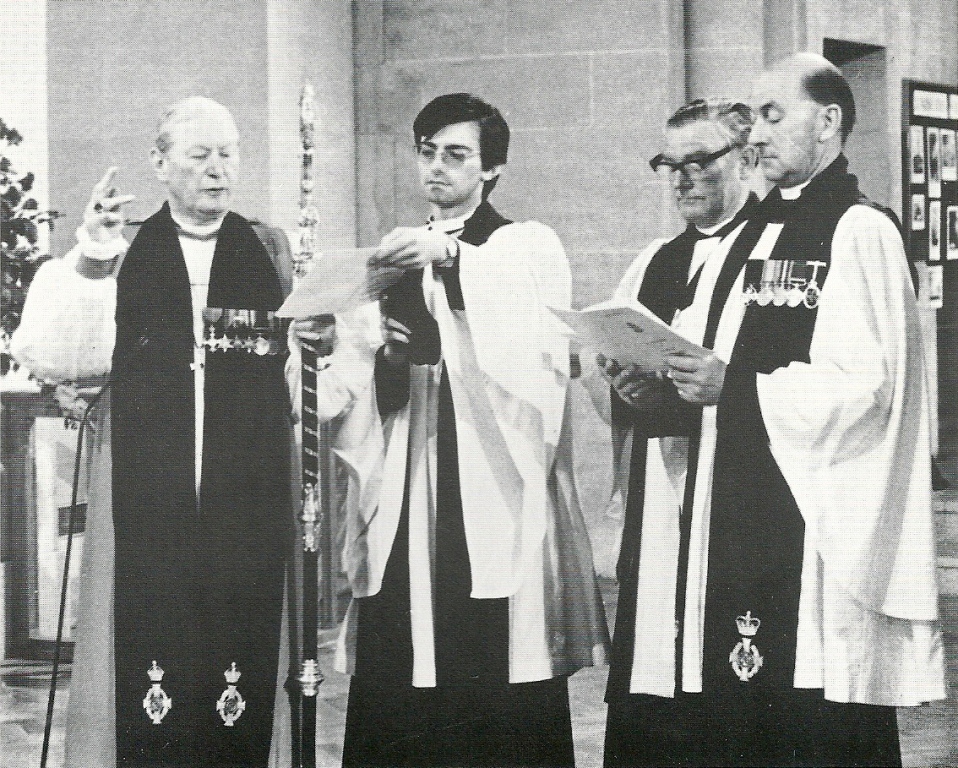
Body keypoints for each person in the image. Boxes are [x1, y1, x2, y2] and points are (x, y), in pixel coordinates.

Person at [11, 97, 376, 768]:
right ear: (159, 163)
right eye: (200, 155)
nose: (217, 170)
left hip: (248, 484)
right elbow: (59, 354)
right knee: (147, 643)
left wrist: (318, 343)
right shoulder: (126, 248)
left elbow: (314, 382)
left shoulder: (267, 247)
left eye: (228, 154)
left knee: (241, 649)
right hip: (148, 485)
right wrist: (92, 255)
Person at [617, 53, 946, 767]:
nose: (756, 134)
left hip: (807, 522)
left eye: (772, 115)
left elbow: (867, 387)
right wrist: (666, 390)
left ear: (827, 121)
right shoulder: (758, 232)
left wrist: (733, 387)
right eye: (753, 118)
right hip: (731, 501)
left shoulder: (859, 229)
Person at [333, 93, 608, 767]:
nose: (436, 167)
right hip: (407, 477)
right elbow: (364, 375)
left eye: (456, 155)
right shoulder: (396, 252)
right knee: (402, 658)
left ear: (492, 169)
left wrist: (453, 261)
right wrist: (384, 356)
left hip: (486, 482)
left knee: (487, 660)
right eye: (427, 152)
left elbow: (534, 344)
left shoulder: (525, 244)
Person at [596, 98, 762, 767]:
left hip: (740, 488)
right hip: (663, 490)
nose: (684, 177)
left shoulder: (773, 250)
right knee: (655, 658)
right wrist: (627, 389)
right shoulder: (655, 261)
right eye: (671, 164)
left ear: (746, 158)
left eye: (700, 160)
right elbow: (620, 380)